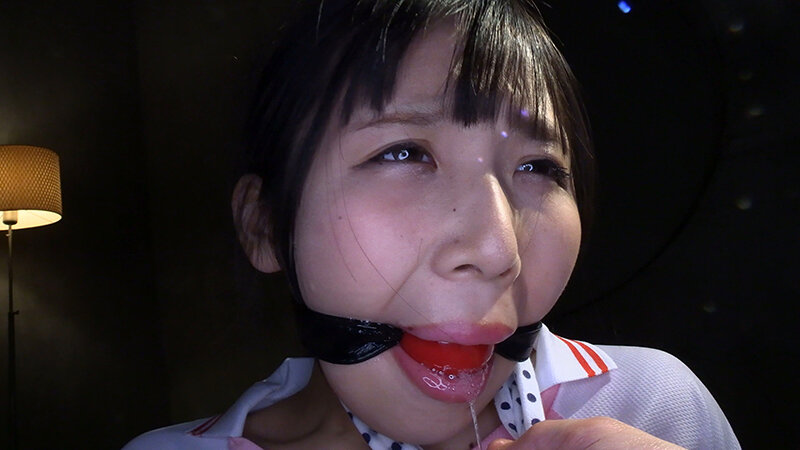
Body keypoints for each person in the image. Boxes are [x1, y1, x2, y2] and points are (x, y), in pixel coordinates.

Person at [124, 1, 739, 448]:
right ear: (263, 225)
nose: (498, 250)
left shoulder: (656, 407)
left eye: (538, 167)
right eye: (404, 153)